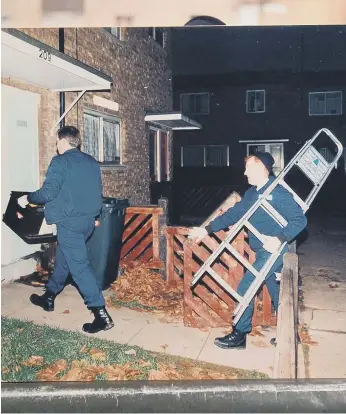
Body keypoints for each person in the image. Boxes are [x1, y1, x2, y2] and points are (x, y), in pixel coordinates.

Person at [188, 152, 307, 349]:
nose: (245, 173)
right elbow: (234, 213)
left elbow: (300, 221)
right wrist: (206, 229)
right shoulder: (253, 193)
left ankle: (240, 334)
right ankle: (290, 335)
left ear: (262, 169)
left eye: (248, 168)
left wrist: (279, 238)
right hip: (262, 252)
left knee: (246, 287)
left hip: (274, 251)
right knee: (277, 291)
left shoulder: (277, 193)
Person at [18, 126, 114, 334]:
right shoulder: (90, 162)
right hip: (86, 222)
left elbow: (48, 192)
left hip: (69, 223)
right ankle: (49, 297)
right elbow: (95, 191)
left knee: (79, 267)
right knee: (64, 260)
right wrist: (94, 217)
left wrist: (27, 198)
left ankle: (101, 314)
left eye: (57, 142)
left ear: (62, 141)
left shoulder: (60, 161)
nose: (56, 145)